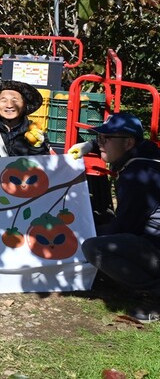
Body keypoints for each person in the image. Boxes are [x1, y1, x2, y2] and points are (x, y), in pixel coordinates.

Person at [77, 113, 160, 322]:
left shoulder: (138, 175)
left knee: (93, 247)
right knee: (98, 230)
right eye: (99, 138)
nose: (100, 143)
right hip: (152, 240)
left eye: (105, 139)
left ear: (129, 142)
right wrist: (90, 146)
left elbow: (126, 227)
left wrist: (83, 238)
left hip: (155, 246)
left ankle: (155, 294)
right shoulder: (148, 156)